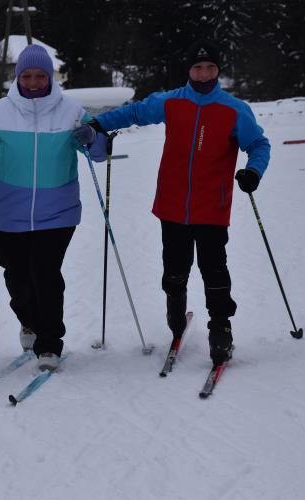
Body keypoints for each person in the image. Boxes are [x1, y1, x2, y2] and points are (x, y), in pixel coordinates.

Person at [75, 40, 271, 367]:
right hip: (172, 204)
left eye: (210, 67)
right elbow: (134, 111)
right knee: (175, 270)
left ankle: (221, 328)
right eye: (198, 67)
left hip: (212, 207)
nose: (204, 74)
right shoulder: (171, 102)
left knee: (214, 270)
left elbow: (259, 145)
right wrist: (99, 125)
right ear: (188, 70)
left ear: (218, 70)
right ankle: (176, 313)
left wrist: (254, 171)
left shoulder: (234, 109)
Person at [0, 44, 92, 372]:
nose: (33, 82)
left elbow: (97, 151)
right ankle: (29, 321)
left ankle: (49, 343)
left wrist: (92, 138)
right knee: (16, 277)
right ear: (17, 77)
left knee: (45, 274)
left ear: (50, 77)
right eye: (26, 75)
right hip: (7, 213)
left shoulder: (70, 112)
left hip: (57, 211)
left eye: (40, 75)